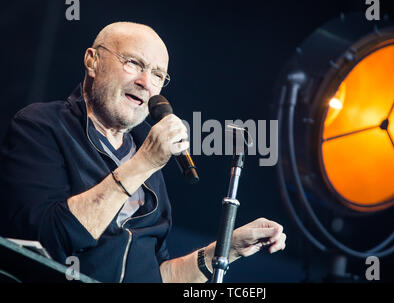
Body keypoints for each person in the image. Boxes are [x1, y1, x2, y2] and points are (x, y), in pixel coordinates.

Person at [0, 22, 286, 283]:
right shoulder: (42, 126)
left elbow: (155, 275)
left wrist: (225, 249)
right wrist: (144, 163)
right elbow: (44, 242)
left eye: (158, 75)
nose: (146, 83)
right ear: (92, 61)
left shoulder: (147, 161)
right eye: (134, 63)